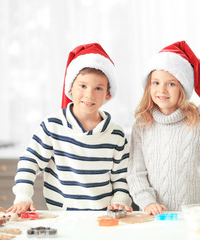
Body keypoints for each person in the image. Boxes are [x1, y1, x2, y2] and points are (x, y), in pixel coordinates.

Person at [7, 43, 132, 214]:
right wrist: (23, 197)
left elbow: (122, 179)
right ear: (70, 87)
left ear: (108, 94)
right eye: (82, 86)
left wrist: (120, 201)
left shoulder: (116, 135)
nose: (89, 94)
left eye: (98, 88)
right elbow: (30, 161)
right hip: (63, 217)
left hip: (104, 218)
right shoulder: (53, 126)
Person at [127, 41, 200, 215]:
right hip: (154, 218)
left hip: (192, 218)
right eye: (155, 83)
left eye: (171, 84)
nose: (162, 90)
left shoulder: (199, 127)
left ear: (183, 88)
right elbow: (136, 173)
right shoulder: (142, 125)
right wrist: (147, 202)